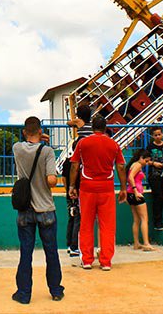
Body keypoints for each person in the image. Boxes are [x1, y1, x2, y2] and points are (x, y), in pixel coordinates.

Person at [12, 116, 64, 304]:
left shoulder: (17, 149)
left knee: (26, 252)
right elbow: (51, 180)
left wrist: (35, 137)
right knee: (51, 252)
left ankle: (24, 294)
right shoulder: (48, 151)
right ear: (41, 131)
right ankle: (56, 290)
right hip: (45, 209)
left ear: (25, 131)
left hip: (25, 210)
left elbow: (24, 140)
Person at [68, 115, 126, 270]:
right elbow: (120, 167)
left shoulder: (83, 143)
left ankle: (87, 260)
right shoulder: (113, 144)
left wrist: (72, 186)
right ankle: (106, 261)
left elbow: (74, 165)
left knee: (86, 224)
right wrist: (123, 188)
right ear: (105, 127)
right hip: (106, 188)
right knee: (107, 226)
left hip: (87, 188)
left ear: (92, 126)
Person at [62, 104, 93, 258]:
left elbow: (70, 123)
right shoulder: (92, 126)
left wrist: (68, 188)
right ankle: (75, 245)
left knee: (72, 217)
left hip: (70, 191)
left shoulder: (79, 124)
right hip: (81, 187)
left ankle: (70, 245)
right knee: (79, 219)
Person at [125, 149, 155, 251]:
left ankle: (136, 243)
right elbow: (130, 177)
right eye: (146, 161)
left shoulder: (133, 164)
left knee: (136, 219)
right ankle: (146, 243)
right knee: (144, 219)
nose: (146, 163)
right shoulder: (137, 165)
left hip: (130, 194)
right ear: (141, 158)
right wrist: (136, 191)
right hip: (136, 193)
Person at [146, 126, 163, 230]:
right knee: (157, 197)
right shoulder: (150, 147)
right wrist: (154, 163)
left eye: (159, 134)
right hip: (154, 175)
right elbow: (146, 160)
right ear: (152, 136)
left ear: (162, 134)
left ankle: (160, 221)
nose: (158, 136)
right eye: (155, 135)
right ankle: (157, 222)